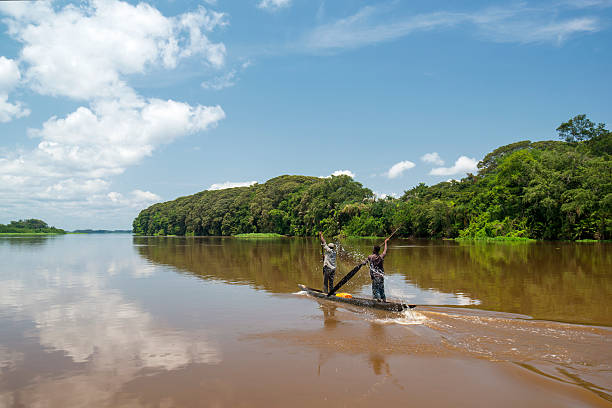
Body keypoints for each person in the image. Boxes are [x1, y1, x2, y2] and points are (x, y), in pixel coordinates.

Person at [367, 237, 389, 301]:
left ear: (374, 250)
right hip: (381, 276)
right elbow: (385, 250)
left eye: (373, 249)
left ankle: (378, 302)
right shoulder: (381, 256)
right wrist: (385, 242)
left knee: (375, 290)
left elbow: (364, 262)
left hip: (375, 277)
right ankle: (384, 300)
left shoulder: (370, 257)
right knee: (381, 289)